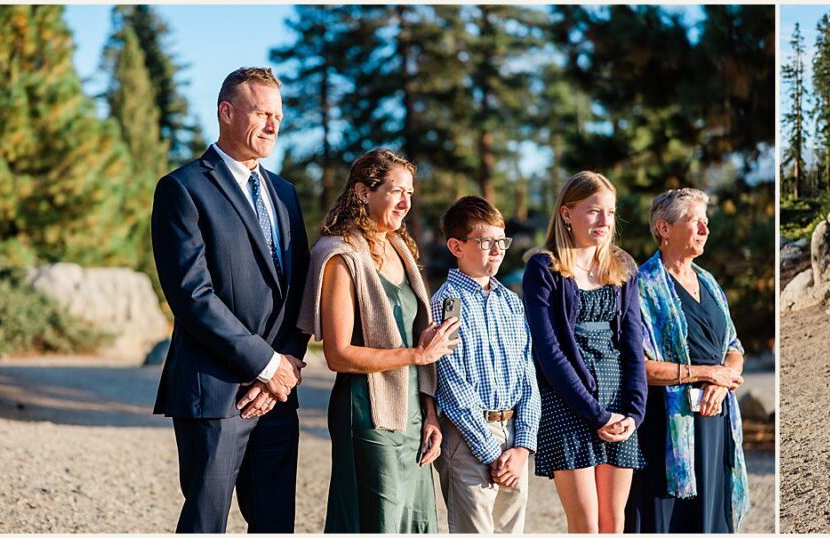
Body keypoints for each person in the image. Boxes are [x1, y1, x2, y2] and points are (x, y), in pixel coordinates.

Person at [150, 67, 309, 533]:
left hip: (279, 394)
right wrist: (265, 364)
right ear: (226, 111)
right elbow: (192, 295)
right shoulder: (182, 188)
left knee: (275, 523)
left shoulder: (285, 193)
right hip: (215, 392)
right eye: (262, 113)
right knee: (205, 522)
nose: (273, 125)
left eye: (278, 115)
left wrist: (289, 363)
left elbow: (298, 286)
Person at [299, 148, 461, 533]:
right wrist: (417, 354)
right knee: (378, 521)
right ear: (362, 192)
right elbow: (338, 354)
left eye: (410, 192)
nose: (406, 202)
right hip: (367, 412)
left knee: (416, 522)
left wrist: (430, 413)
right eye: (395, 190)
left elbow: (415, 337)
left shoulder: (401, 249)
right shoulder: (340, 255)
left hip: (413, 414)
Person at [523, 171, 648, 533]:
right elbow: (549, 351)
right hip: (568, 403)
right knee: (586, 525)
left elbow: (632, 345)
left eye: (610, 212)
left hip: (619, 402)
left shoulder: (623, 267)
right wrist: (595, 414)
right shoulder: (543, 268)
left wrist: (634, 413)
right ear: (566, 214)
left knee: (613, 524)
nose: (604, 221)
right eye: (593, 211)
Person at [627, 188, 754, 532]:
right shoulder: (642, 286)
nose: (704, 229)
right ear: (664, 229)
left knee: (711, 519)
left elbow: (734, 346)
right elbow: (641, 367)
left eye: (706, 221)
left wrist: (721, 378)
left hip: (716, 418)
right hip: (667, 429)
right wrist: (707, 373)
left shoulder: (709, 282)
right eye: (694, 221)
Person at [430, 196, 542, 533]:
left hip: (514, 432)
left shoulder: (510, 301)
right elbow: (452, 384)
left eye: (501, 242)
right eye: (484, 242)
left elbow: (528, 374)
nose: (496, 250)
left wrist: (523, 446)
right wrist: (491, 450)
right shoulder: (446, 303)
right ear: (456, 246)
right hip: (469, 437)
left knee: (510, 529)